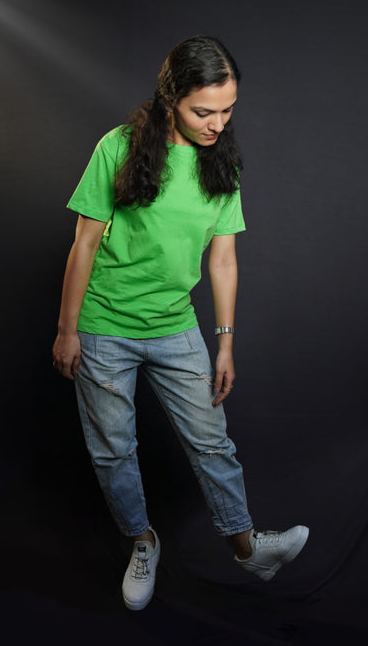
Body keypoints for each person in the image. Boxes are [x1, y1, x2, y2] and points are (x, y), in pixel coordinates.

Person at [52, 35, 309, 611]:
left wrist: (224, 343)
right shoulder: (117, 148)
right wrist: (68, 330)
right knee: (113, 451)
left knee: (211, 443)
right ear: (171, 99)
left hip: (174, 327)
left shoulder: (223, 162)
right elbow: (84, 243)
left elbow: (222, 259)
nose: (218, 123)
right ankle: (142, 542)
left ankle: (248, 548)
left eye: (227, 109)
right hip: (104, 327)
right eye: (203, 111)